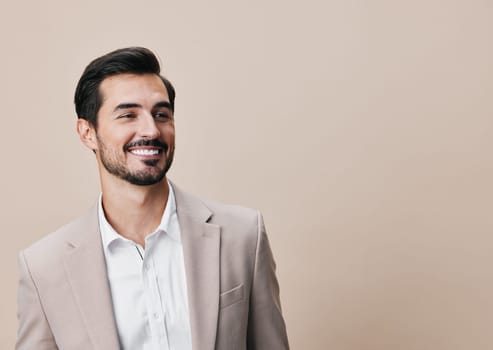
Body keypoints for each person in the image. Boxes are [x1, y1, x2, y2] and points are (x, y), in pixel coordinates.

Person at [16, 47, 289, 350]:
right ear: (87, 132)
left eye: (161, 114)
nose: (151, 129)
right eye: (128, 115)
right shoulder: (44, 267)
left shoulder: (243, 235)